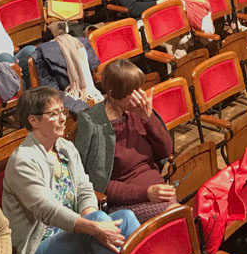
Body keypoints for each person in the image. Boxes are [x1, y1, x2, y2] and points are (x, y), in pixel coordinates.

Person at [3, 86, 184, 254]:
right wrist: (92, 224)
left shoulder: (65, 148)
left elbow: (86, 188)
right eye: (54, 114)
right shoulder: (23, 161)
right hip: (39, 253)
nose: (63, 117)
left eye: (62, 110)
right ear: (34, 121)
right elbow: (46, 210)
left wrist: (90, 213)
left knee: (127, 217)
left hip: (76, 234)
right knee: (101, 221)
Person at [75, 59, 176, 222]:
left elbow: (166, 151)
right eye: (134, 90)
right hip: (128, 201)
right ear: (114, 95)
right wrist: (146, 192)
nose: (140, 95)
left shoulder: (138, 111)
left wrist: (148, 119)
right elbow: (99, 184)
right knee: (176, 215)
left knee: (182, 214)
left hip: (159, 189)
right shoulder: (94, 124)